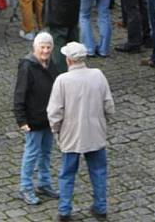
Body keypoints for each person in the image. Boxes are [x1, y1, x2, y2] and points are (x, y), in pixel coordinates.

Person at [47, 42, 115, 221]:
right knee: (98, 170)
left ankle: (64, 210)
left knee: (67, 173)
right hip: (95, 132)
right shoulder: (98, 75)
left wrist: (56, 130)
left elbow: (54, 112)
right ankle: (100, 208)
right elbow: (109, 105)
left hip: (71, 134)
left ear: (69, 60)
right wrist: (103, 121)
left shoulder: (62, 80)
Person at [13, 31, 58, 206]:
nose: (45, 51)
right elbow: (19, 95)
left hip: (48, 119)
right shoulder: (27, 67)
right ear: (35, 47)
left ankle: (44, 184)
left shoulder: (51, 65)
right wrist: (21, 120)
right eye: (42, 47)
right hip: (33, 120)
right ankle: (25, 187)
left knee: (46, 153)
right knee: (31, 154)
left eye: (48, 47)